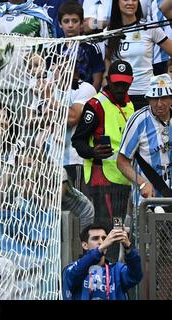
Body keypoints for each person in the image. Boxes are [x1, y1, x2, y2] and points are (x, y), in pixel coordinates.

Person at [72, 60, 134, 231]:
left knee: (118, 225)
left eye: (124, 84)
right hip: (102, 177)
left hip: (123, 176)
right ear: (108, 80)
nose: (120, 88)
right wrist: (93, 152)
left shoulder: (130, 104)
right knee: (107, 226)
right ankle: (104, 258)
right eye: (117, 83)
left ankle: (113, 258)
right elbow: (77, 140)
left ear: (131, 82)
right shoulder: (96, 105)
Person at [105, 0, 172, 111]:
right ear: (117, 3)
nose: (130, 3)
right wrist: (105, 80)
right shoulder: (109, 31)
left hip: (145, 95)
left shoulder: (149, 28)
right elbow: (108, 58)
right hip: (118, 95)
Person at [117, 74, 172, 203]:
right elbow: (121, 161)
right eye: (154, 98)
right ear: (148, 99)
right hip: (147, 200)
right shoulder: (138, 120)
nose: (159, 104)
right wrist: (142, 184)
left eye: (164, 97)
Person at [62, 223, 142, 300]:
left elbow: (136, 276)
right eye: (95, 238)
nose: (101, 242)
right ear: (84, 245)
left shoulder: (117, 270)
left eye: (104, 238)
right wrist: (100, 248)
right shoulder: (73, 269)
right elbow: (76, 272)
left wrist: (128, 247)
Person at [58, 0, 105, 92]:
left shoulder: (92, 47)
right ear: (60, 24)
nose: (70, 25)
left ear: (82, 23)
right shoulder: (54, 48)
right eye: (66, 21)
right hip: (61, 97)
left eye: (75, 21)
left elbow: (97, 79)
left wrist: (90, 98)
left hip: (86, 96)